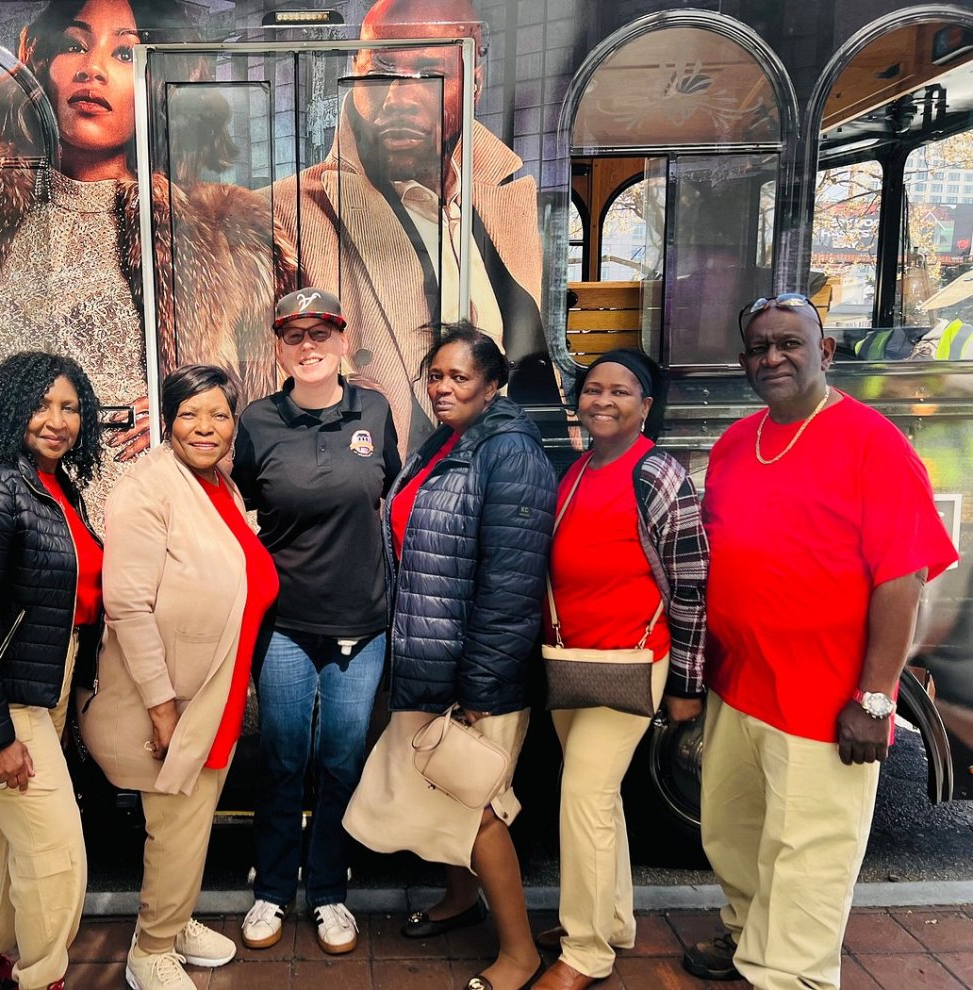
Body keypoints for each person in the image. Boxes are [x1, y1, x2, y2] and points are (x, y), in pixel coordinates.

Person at [0, 0, 295, 505]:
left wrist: (189, 415)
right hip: (5, 506)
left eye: (125, 54)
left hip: (153, 503)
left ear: (157, 82)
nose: (92, 69)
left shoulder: (225, 230)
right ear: (42, 66)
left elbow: (268, 406)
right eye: (73, 45)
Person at [683, 293, 958, 989]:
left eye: (789, 343)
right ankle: (745, 934)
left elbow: (903, 577)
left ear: (825, 351)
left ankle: (791, 976)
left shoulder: (873, 443)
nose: (773, 357)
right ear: (744, 361)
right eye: (759, 347)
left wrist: (875, 699)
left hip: (825, 696)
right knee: (734, 834)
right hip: (739, 684)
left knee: (808, 856)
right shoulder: (735, 444)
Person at [344, 323, 557, 990]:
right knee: (442, 791)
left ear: (493, 385)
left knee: (477, 805)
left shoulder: (510, 452)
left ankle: (519, 952)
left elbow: (511, 586)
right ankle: (461, 899)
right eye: (435, 376)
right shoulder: (449, 441)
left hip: (476, 676)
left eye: (459, 377)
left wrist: (479, 688)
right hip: (432, 660)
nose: (442, 387)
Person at [270, 0, 556, 456]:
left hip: (507, 461)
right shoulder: (286, 211)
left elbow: (534, 358)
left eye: (429, 73)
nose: (399, 98)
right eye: (381, 71)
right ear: (355, 70)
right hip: (388, 475)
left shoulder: (506, 200)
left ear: (474, 84)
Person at [78, 365, 278, 990]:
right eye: (190, 414)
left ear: (234, 423)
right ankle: (151, 948)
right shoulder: (148, 489)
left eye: (219, 414)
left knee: (192, 825)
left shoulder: (221, 484)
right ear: (168, 420)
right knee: (175, 828)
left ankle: (176, 917)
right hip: (169, 699)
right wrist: (163, 709)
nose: (205, 427)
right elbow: (128, 606)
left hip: (212, 690)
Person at [230, 288, 402, 954]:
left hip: (361, 621)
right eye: (294, 336)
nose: (309, 347)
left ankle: (329, 890)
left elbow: (388, 493)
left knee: (341, 758)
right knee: (281, 756)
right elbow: (244, 505)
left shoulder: (375, 411)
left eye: (320, 334)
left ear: (342, 341)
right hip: (286, 624)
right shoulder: (257, 421)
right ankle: (274, 889)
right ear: (279, 349)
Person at [532, 350, 708, 990]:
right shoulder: (578, 468)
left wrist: (687, 684)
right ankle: (612, 920)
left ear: (645, 406)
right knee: (598, 800)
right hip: (573, 660)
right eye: (592, 389)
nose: (602, 401)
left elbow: (692, 585)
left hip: (632, 661)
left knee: (583, 796)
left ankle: (586, 952)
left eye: (620, 391)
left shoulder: (656, 473)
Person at [0, 352, 105, 990]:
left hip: (45, 681)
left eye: (70, 408)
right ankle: (44, 977)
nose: (57, 420)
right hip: (7, 694)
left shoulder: (53, 485)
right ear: (11, 406)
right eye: (41, 405)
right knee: (56, 852)